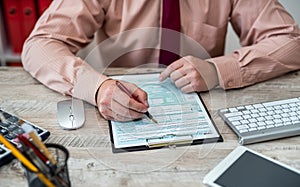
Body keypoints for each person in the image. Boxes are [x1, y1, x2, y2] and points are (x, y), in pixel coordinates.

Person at [21, 0, 300, 122]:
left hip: (207, 108)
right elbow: (40, 45)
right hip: (114, 110)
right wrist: (97, 88)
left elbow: (292, 43)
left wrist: (218, 70)